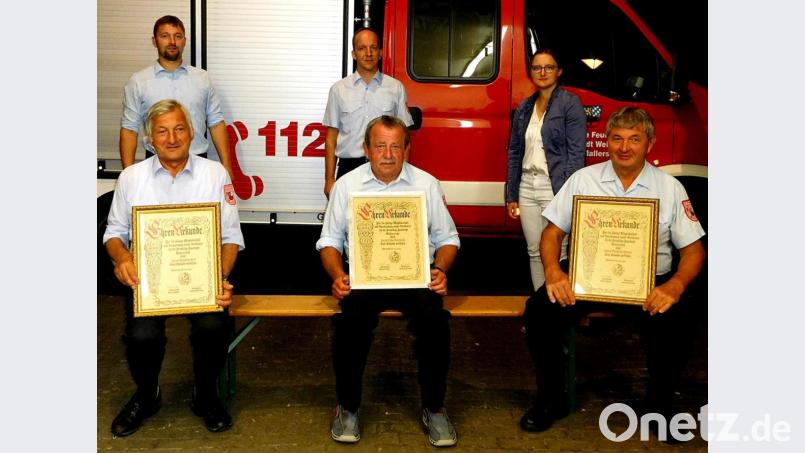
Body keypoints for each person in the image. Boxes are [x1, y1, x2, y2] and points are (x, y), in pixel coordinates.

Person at [520, 107, 706, 440]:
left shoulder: (670, 187)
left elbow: (693, 252)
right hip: (586, 277)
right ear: (606, 140)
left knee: (682, 316)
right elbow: (552, 233)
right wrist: (552, 271)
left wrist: (675, 286)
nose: (624, 147)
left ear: (650, 143)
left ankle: (659, 408)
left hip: (651, 281)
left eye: (634, 139)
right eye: (617, 138)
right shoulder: (584, 179)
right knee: (539, 312)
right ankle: (551, 399)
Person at [104, 99, 245, 436]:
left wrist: (220, 277)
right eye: (162, 131)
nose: (171, 138)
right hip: (150, 284)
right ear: (149, 139)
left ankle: (205, 394)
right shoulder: (131, 178)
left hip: (204, 281)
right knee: (141, 336)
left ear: (192, 133)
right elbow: (113, 233)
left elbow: (230, 236)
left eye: (179, 129)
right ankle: (147, 394)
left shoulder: (215, 174)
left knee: (214, 328)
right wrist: (122, 258)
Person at [316, 116, 460, 447]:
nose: (388, 153)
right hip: (364, 277)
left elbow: (448, 237)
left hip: (415, 275)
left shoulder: (426, 184)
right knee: (350, 324)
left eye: (396, 146)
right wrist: (338, 276)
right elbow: (329, 242)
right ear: (366, 150)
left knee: (435, 322)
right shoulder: (346, 186)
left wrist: (440, 270)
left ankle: (434, 408)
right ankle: (348, 408)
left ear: (407, 149)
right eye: (380, 145)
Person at [506, 49, 586, 291]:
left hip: (556, 186)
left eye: (548, 67)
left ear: (559, 71)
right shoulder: (524, 108)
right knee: (534, 251)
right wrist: (511, 195)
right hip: (527, 187)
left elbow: (577, 153)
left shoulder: (570, 104)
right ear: (530, 73)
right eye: (537, 68)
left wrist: (568, 193)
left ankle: (558, 309)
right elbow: (514, 152)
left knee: (557, 251)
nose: (542, 72)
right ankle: (541, 309)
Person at [119, 15, 232, 178]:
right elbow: (129, 129)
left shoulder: (202, 78)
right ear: (154, 41)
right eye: (165, 36)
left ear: (184, 41)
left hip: (199, 164)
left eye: (177, 36)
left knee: (200, 205)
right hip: (156, 165)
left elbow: (216, 123)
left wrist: (226, 168)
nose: (172, 42)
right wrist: (127, 175)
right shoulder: (138, 81)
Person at [322, 28, 413, 199]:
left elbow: (404, 138)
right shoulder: (338, 90)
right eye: (362, 48)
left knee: (383, 222)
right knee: (348, 223)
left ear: (380, 53)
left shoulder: (396, 88)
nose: (368, 53)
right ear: (354, 54)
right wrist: (329, 179)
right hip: (349, 168)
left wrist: (403, 177)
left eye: (373, 48)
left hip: (386, 167)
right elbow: (331, 138)